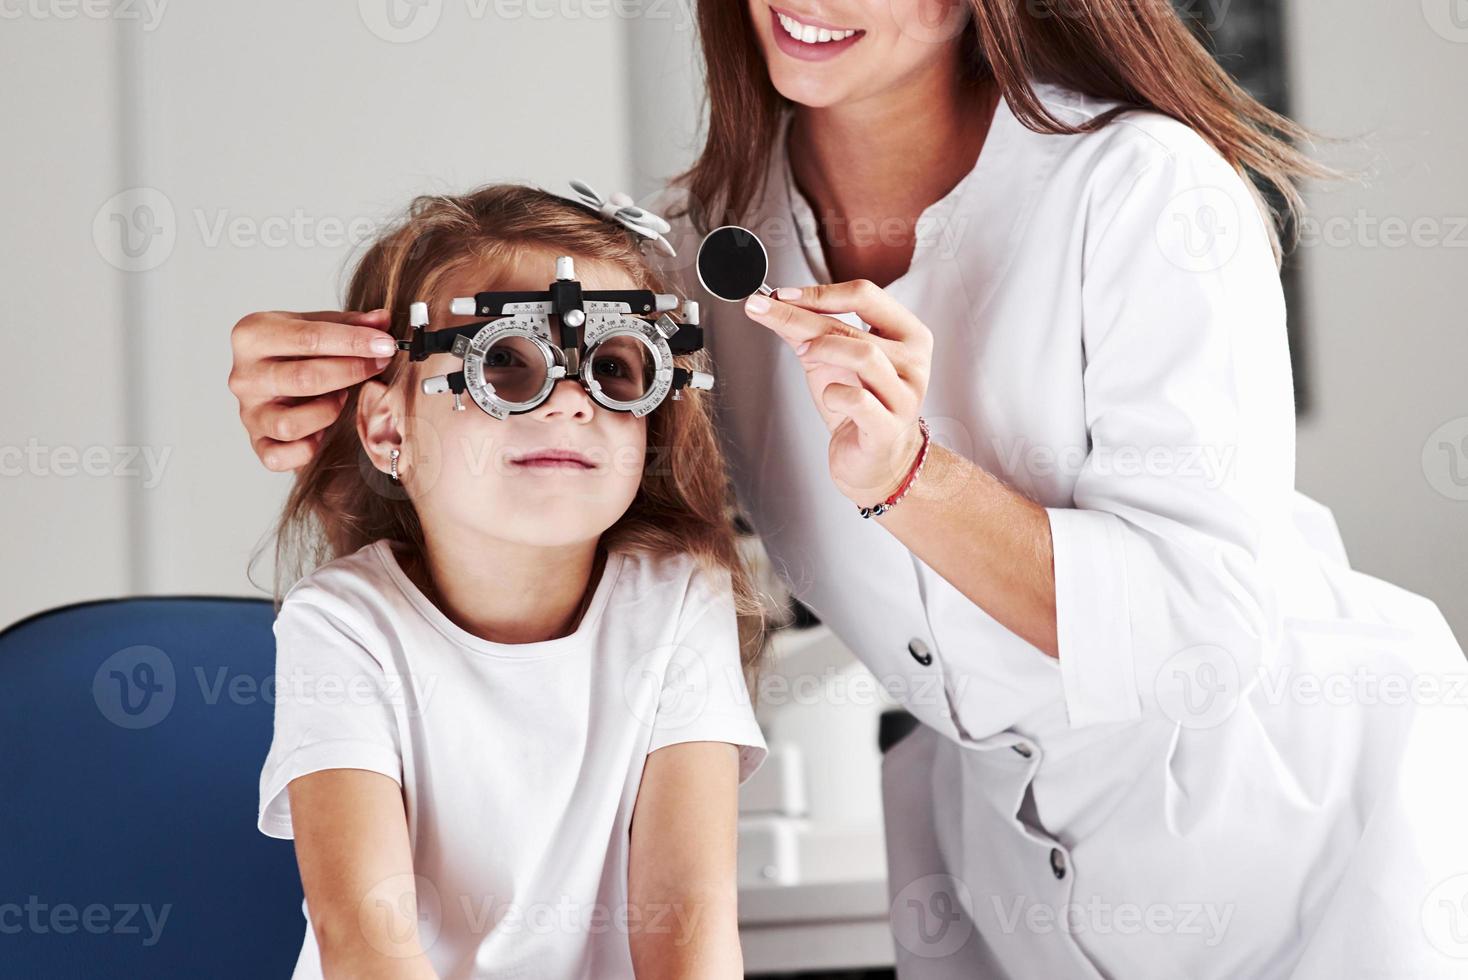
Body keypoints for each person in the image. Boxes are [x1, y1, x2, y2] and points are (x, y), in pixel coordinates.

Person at [231, 2, 1468, 976]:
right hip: (1003, 875)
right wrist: (349, 389)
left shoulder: (1146, 189)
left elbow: (1202, 638)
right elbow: (538, 396)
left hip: (1304, 835)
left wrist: (916, 480)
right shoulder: (710, 248)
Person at [253, 184, 767, 979]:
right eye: (504, 363)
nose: (569, 403)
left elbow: (689, 938)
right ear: (390, 427)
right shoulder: (343, 625)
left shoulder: (675, 602)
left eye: (614, 368)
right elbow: (366, 946)